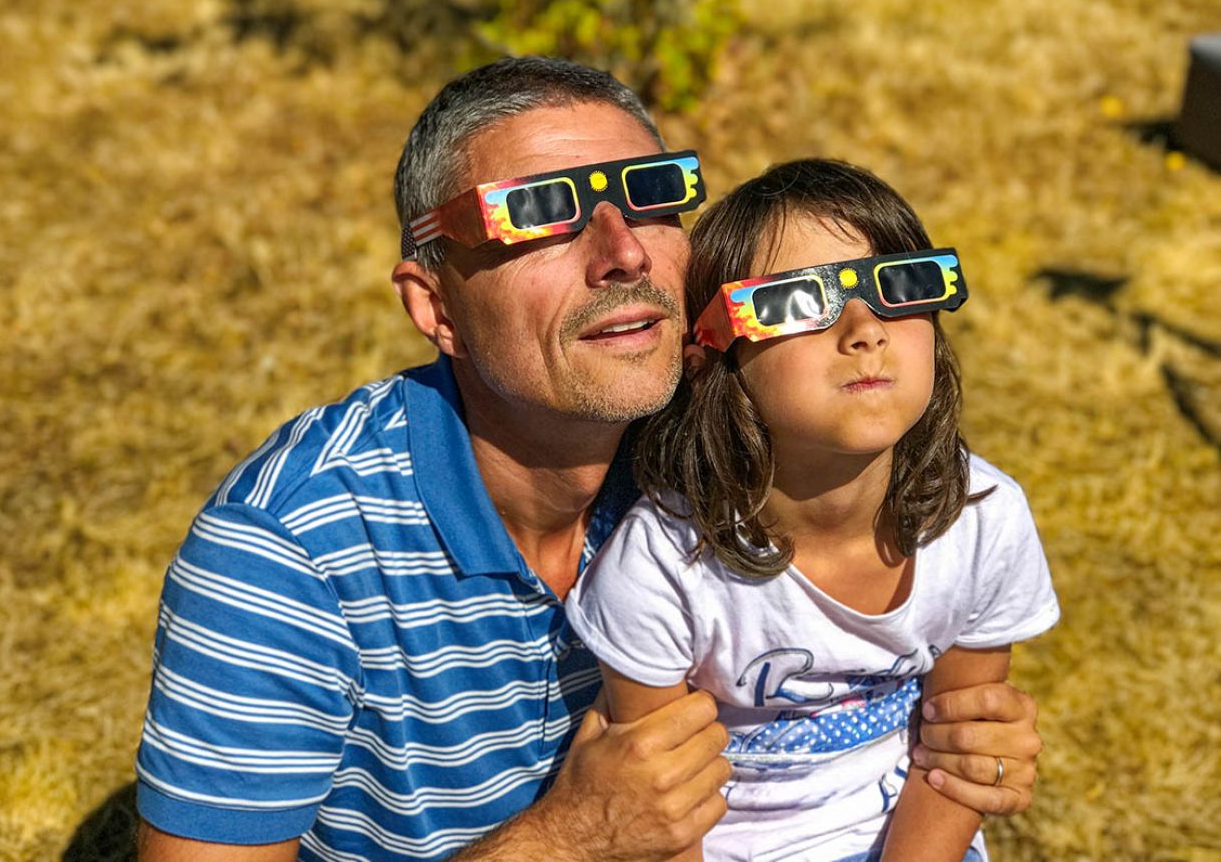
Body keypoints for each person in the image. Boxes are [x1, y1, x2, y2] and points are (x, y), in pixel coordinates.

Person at [135, 58, 1049, 861]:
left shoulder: (731, 442)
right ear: (434, 304)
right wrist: (569, 837)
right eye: (537, 214)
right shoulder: (286, 547)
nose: (620, 253)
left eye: (650, 195)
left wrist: (959, 731)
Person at [564, 158, 1061, 861]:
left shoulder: (983, 519)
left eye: (898, 286)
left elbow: (961, 757)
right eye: (798, 299)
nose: (865, 329)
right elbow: (656, 812)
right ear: (711, 354)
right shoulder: (663, 565)